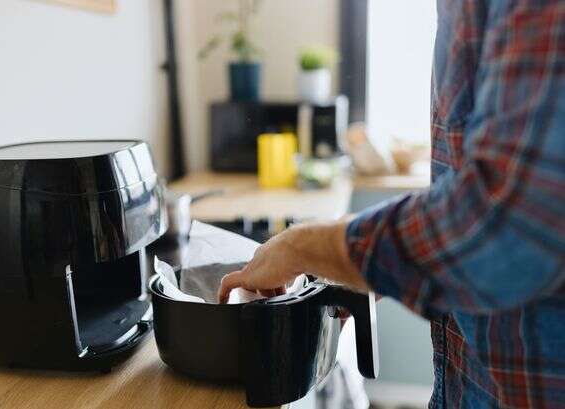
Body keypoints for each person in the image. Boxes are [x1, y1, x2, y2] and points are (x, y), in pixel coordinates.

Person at [218, 1, 565, 407]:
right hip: (465, 381)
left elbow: (506, 223)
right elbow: (474, 182)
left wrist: (302, 246)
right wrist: (364, 264)